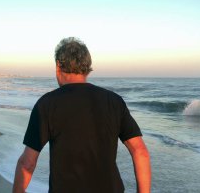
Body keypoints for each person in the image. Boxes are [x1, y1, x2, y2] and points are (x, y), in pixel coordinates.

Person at [13, 37, 151, 193]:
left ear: (58, 65)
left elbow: (27, 163)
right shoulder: (114, 101)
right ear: (86, 67)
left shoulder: (47, 104)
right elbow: (140, 152)